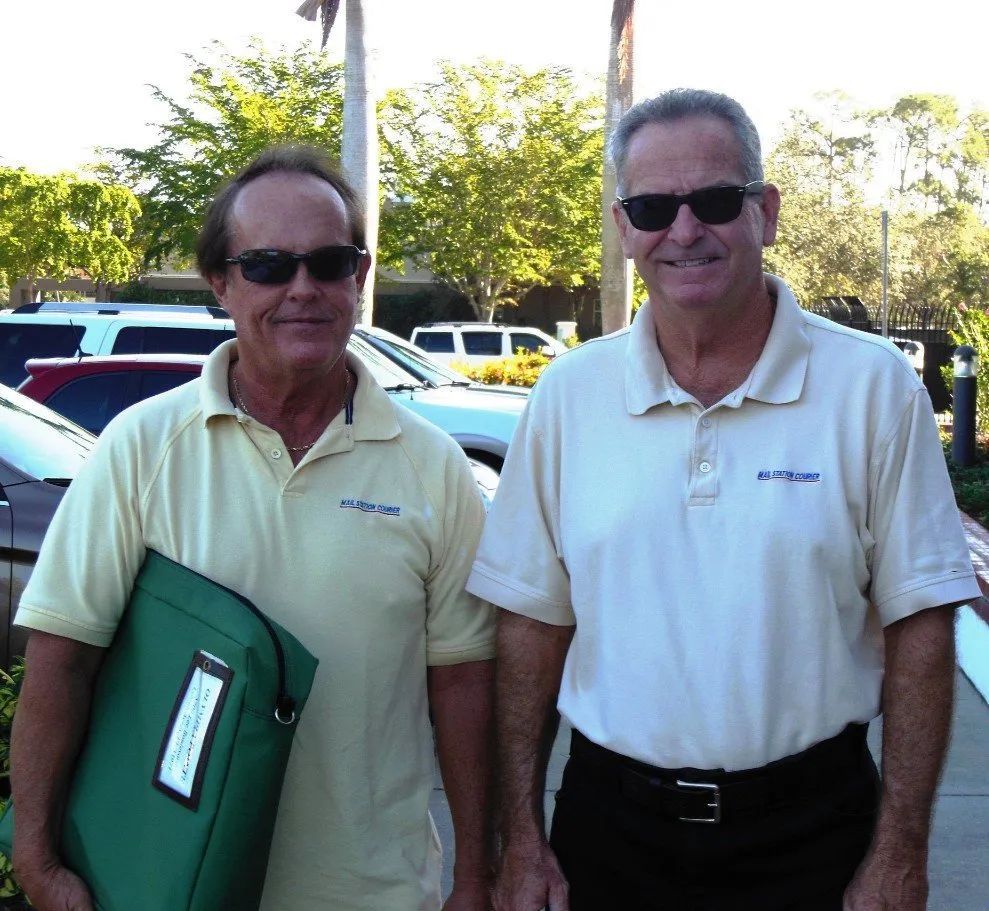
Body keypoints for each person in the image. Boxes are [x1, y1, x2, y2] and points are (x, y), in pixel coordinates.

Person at [467, 89, 980, 911]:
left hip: (815, 835)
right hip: (609, 833)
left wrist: (899, 851)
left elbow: (921, 622)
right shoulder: (568, 395)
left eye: (712, 200)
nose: (683, 230)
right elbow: (531, 623)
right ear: (623, 225)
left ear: (764, 212)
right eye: (651, 207)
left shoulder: (871, 388)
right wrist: (520, 840)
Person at [10, 145, 495, 911]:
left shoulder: (432, 466)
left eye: (329, 262)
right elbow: (60, 657)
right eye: (269, 265)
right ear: (220, 284)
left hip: (370, 893)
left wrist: (475, 876)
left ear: (359, 278)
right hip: (165, 885)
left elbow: (464, 685)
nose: (303, 288)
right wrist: (36, 858)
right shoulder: (142, 447)